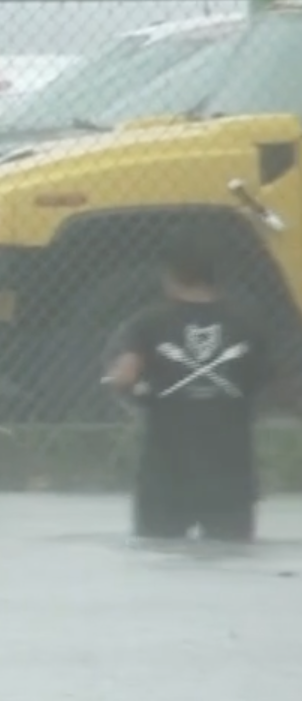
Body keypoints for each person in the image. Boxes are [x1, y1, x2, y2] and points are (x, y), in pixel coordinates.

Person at [103, 230, 282, 542]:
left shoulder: (148, 322)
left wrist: (138, 395)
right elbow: (268, 381)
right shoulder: (248, 321)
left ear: (168, 273)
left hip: (166, 475)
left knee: (159, 561)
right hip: (231, 474)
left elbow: (125, 376)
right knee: (232, 562)